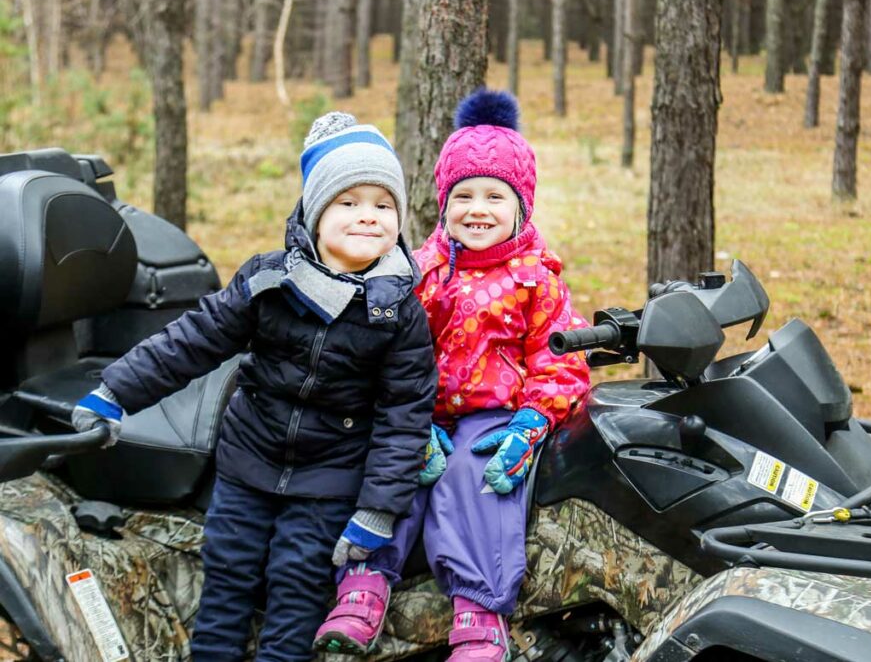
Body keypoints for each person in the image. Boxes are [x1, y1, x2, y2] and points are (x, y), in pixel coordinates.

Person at [70, 113, 437, 662]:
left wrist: (377, 509)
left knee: (296, 589)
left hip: (329, 477)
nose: (368, 217)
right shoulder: (269, 280)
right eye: (349, 202)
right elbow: (192, 340)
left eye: (383, 205)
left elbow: (406, 415)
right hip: (247, 461)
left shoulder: (399, 309)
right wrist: (115, 391)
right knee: (228, 577)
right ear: (315, 212)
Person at [315, 89, 591, 662]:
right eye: (463, 195)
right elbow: (384, 344)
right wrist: (400, 414)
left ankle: (479, 614)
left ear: (522, 205)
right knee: (397, 468)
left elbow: (560, 356)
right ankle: (363, 586)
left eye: (495, 195)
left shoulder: (535, 278)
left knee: (479, 479)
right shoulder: (421, 269)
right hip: (421, 410)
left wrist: (534, 421)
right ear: (444, 203)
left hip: (495, 416)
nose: (478, 209)